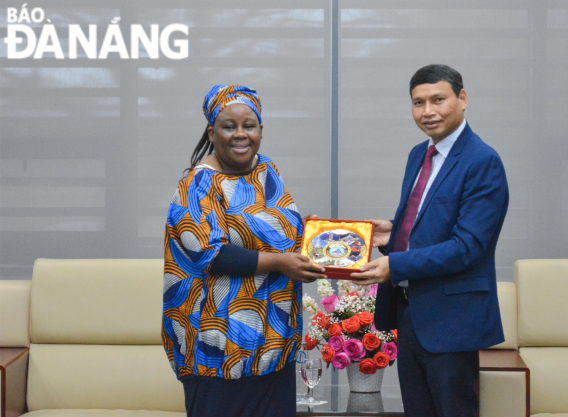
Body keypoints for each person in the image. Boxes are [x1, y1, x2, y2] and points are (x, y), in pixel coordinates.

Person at [352, 64, 509, 417]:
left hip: (452, 320)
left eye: (438, 99)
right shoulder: (418, 155)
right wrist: (393, 235)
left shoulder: (482, 161)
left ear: (462, 98)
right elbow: (428, 223)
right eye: (418, 102)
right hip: (411, 314)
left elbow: (468, 246)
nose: (428, 112)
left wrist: (395, 264)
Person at [162, 84, 326, 417]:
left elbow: (274, 230)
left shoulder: (266, 171)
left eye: (249, 125)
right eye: (229, 126)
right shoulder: (197, 184)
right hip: (218, 352)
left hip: (273, 348)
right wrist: (281, 261)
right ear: (212, 131)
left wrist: (311, 235)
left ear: (261, 131)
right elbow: (213, 254)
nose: (240, 134)